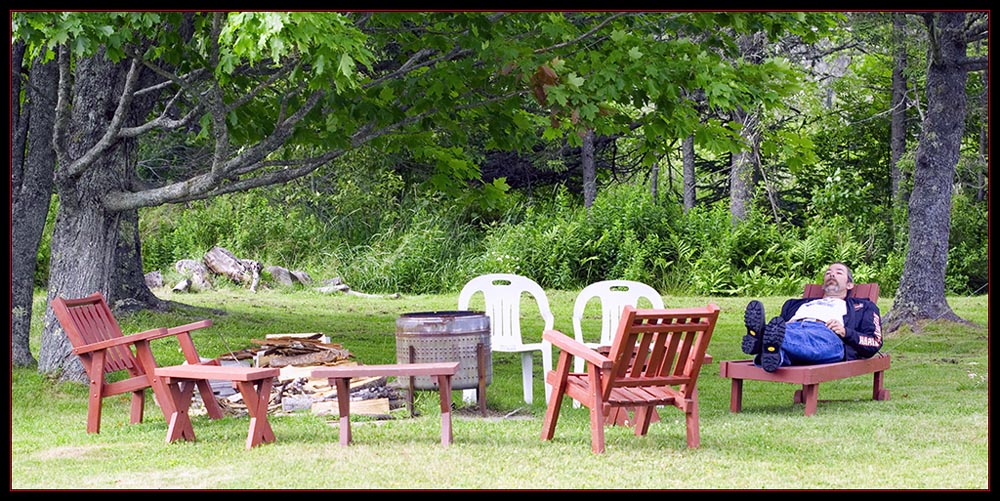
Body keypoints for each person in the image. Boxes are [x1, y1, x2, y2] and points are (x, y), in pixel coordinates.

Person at [741, 262, 883, 372]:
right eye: (828, 273)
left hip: (826, 334)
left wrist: (846, 332)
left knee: (777, 337)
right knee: (775, 345)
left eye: (838, 272)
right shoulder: (794, 305)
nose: (832, 275)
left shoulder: (863, 306)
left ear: (849, 284)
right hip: (792, 328)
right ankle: (774, 354)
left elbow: (874, 341)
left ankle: (759, 338)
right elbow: (777, 329)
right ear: (823, 285)